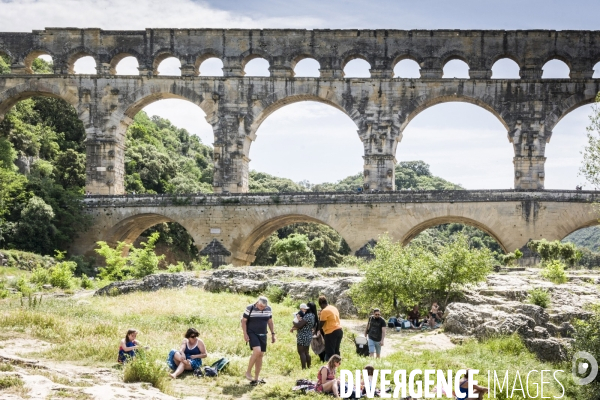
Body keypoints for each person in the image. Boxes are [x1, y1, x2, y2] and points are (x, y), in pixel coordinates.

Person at [242, 296, 276, 385]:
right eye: (261, 306)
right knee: (257, 351)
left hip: (263, 334)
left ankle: (256, 379)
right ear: (257, 303)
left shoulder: (268, 309)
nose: (262, 308)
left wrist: (273, 334)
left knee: (260, 355)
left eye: (264, 307)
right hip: (252, 332)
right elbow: (244, 321)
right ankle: (248, 372)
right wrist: (245, 333)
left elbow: (270, 321)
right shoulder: (250, 308)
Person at [291, 303, 317, 369]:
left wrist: (294, 320)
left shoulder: (307, 316)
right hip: (308, 335)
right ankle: (309, 367)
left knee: (301, 352)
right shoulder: (313, 315)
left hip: (303, 335)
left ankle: (303, 368)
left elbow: (299, 325)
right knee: (306, 352)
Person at [318, 295, 343, 361]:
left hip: (330, 332)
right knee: (336, 350)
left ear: (321, 304)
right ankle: (338, 365)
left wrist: (315, 330)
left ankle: (330, 368)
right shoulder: (334, 308)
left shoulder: (324, 311)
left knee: (330, 352)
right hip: (339, 330)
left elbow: (321, 324)